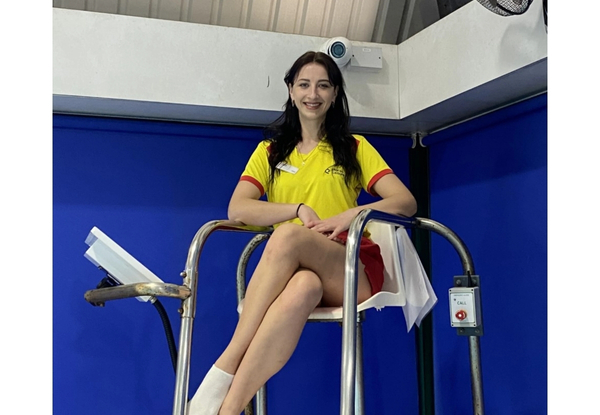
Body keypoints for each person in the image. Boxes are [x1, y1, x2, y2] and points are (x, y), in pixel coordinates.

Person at [188, 51, 417, 415]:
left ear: (335, 93)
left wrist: (349, 215)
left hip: (351, 267)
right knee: (303, 286)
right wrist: (295, 210)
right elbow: (238, 208)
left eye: (323, 85)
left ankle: (225, 364)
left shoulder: (354, 147)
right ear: (291, 91)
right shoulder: (270, 151)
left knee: (287, 236)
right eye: (305, 84)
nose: (313, 93)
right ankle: (229, 408)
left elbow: (405, 201)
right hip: (301, 272)